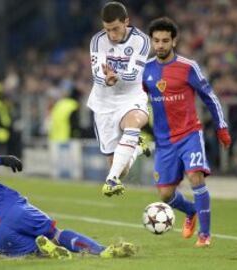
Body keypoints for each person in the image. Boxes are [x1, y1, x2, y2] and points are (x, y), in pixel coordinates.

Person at [0, 117, 136, 259]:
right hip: (12, 210)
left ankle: (44, 250)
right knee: (57, 233)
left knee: (36, 256)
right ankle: (102, 252)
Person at [143, 17, 232, 247]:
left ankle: (205, 235)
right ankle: (192, 211)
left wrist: (221, 127)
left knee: (195, 177)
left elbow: (210, 97)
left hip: (189, 134)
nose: (160, 45)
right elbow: (135, 102)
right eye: (156, 41)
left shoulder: (188, 67)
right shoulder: (146, 71)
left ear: (174, 41)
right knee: (165, 195)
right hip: (164, 143)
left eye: (165, 40)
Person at [87, 2, 150, 197]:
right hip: (104, 103)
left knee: (134, 122)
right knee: (120, 168)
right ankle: (136, 149)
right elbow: (96, 74)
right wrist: (107, 78)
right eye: (108, 30)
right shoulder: (97, 41)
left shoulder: (141, 40)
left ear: (126, 22)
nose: (112, 35)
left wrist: (117, 76)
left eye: (115, 29)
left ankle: (110, 180)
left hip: (131, 97)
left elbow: (134, 73)